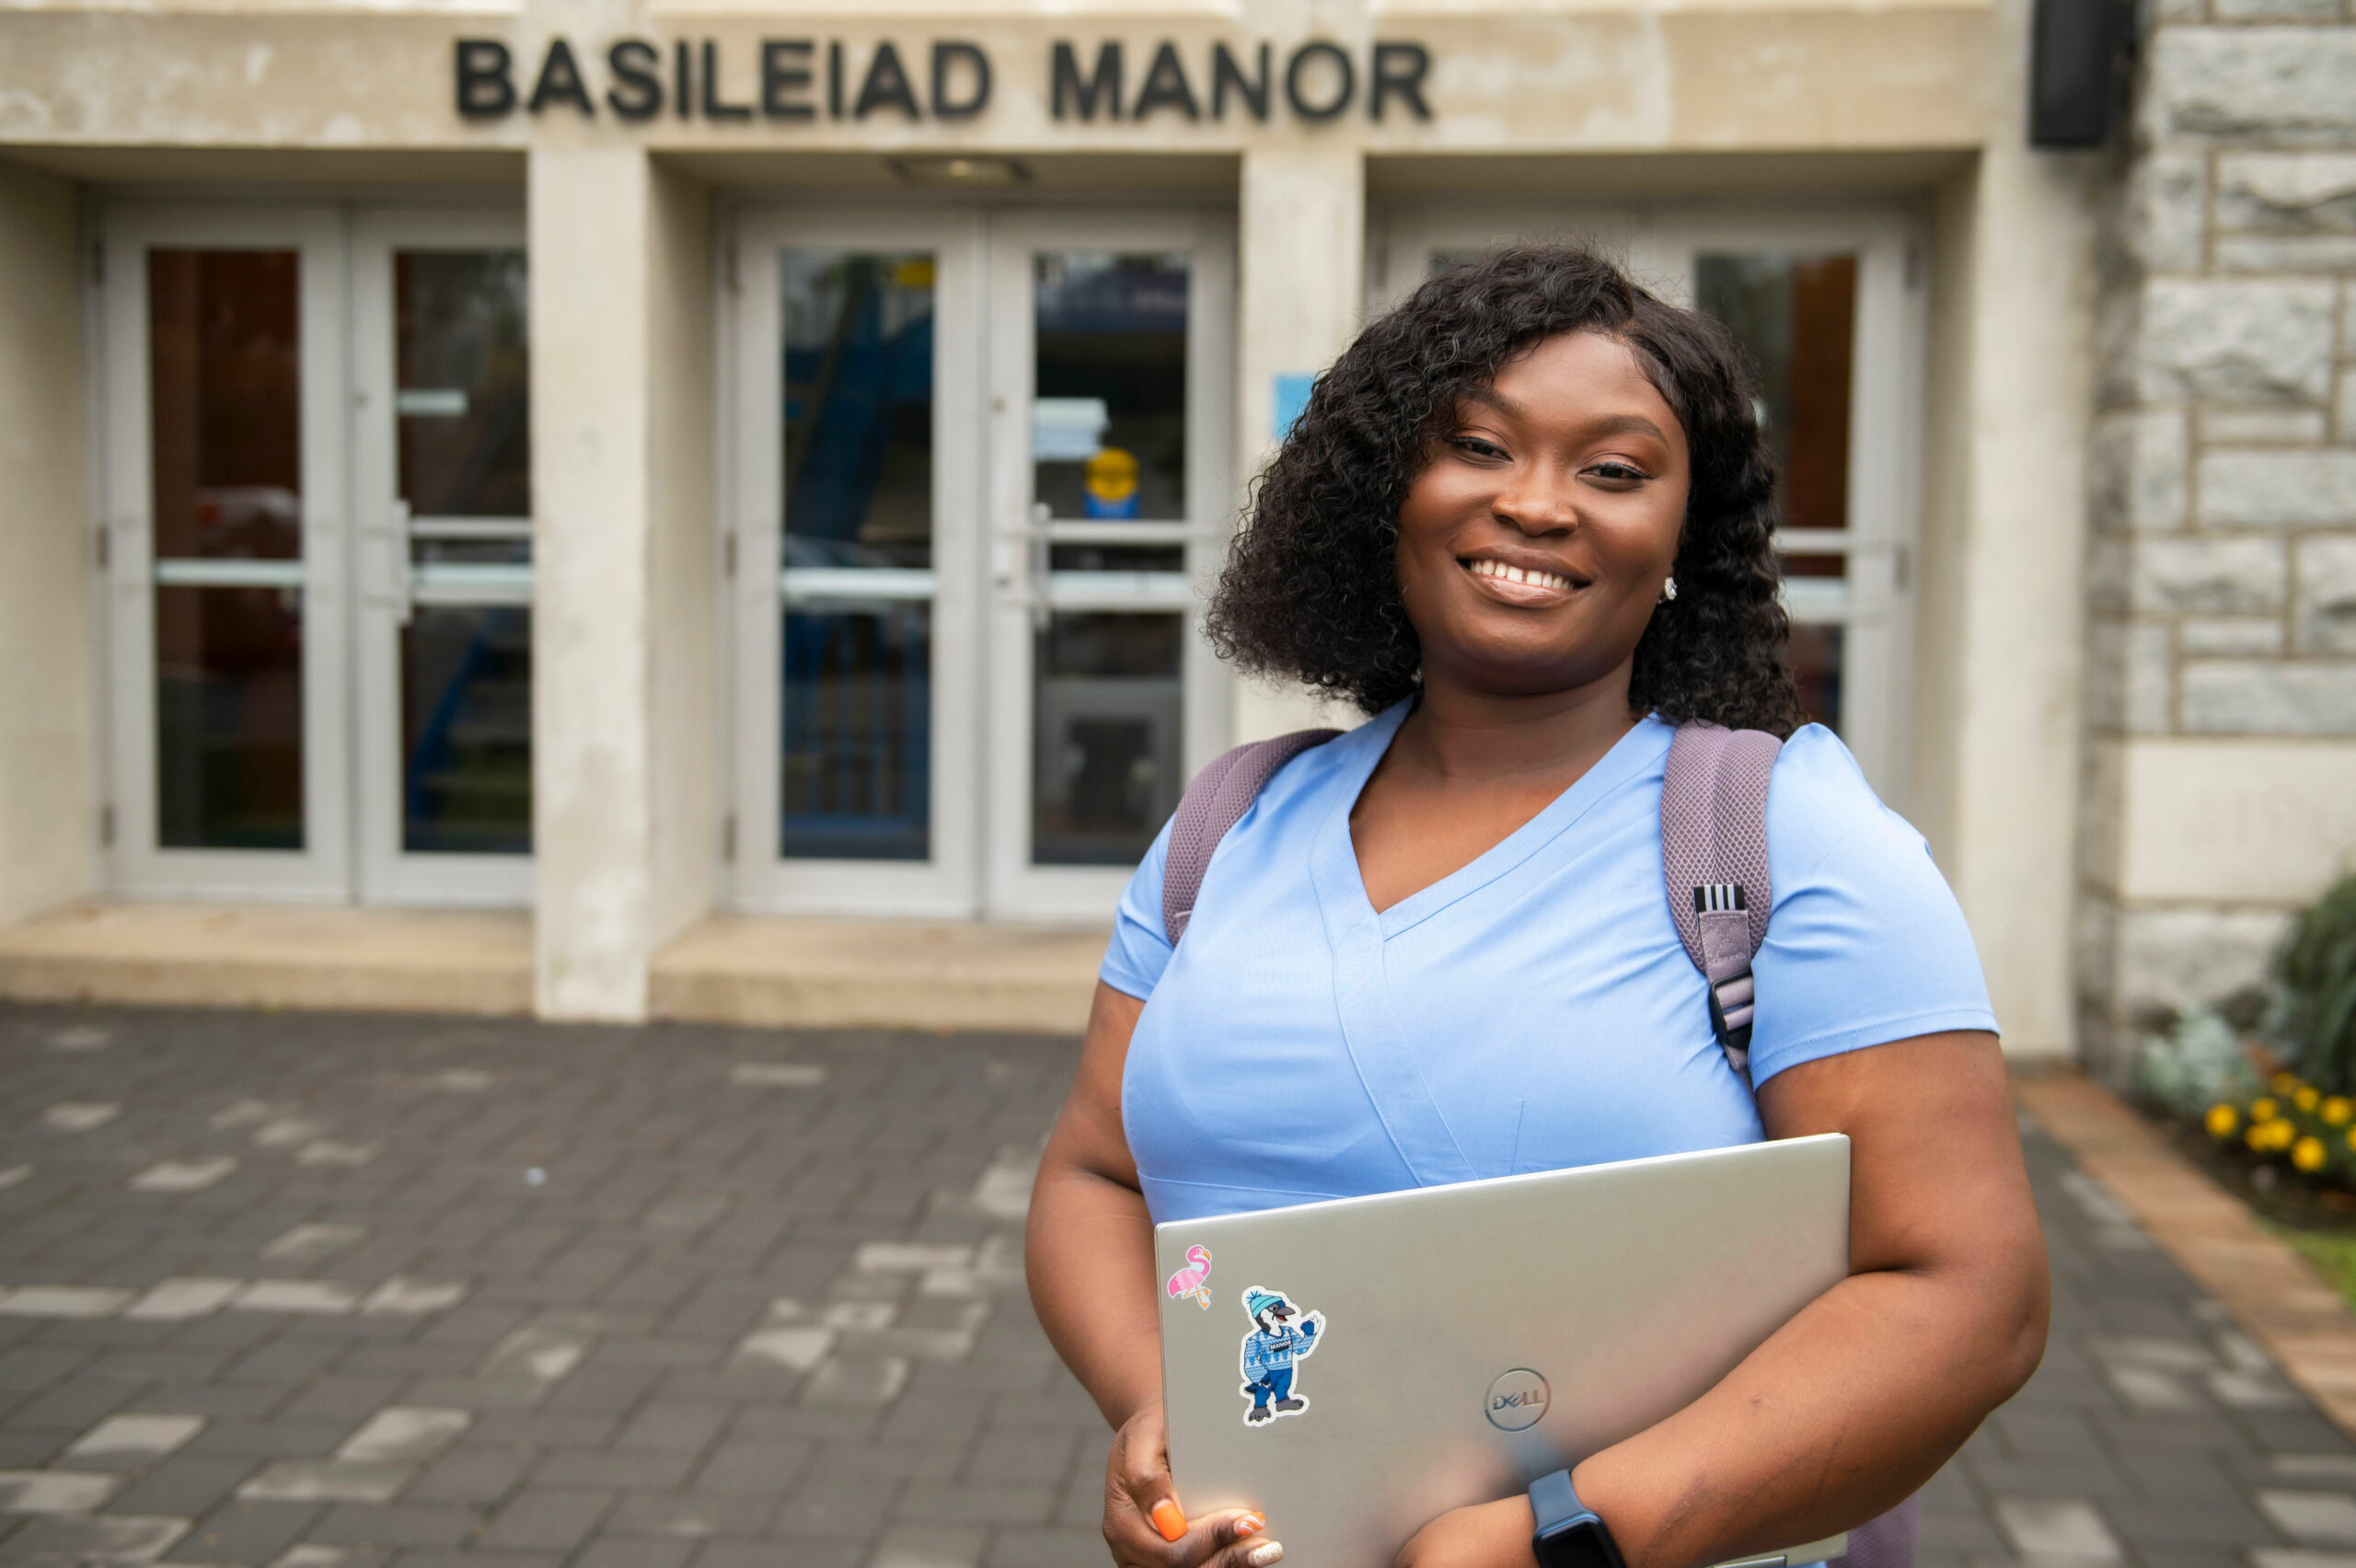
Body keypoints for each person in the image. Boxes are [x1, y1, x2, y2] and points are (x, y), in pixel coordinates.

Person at [1023, 245, 2049, 1568]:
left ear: (1684, 535)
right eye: (1480, 447)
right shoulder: (1230, 827)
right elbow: (1094, 1173)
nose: (1538, 505)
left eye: (1615, 470)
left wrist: (1557, 1539)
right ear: (1387, 492)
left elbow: (1970, 1295)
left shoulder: (1784, 834)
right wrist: (1157, 1410)